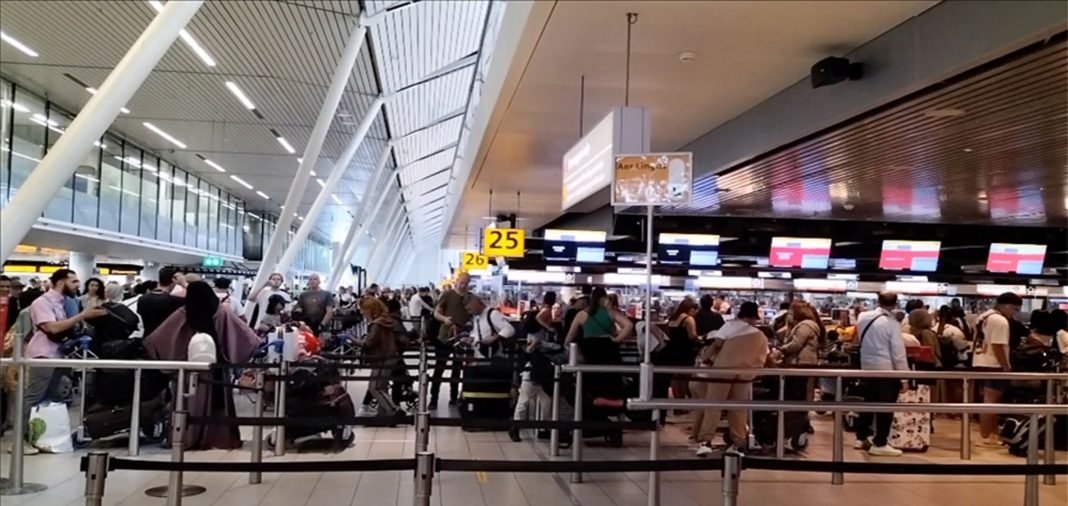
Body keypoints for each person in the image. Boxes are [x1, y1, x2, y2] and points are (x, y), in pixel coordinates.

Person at [145, 281, 259, 450]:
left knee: (187, 403)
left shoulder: (183, 313)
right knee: (217, 404)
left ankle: (185, 437)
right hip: (217, 371)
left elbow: (156, 339)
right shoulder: (222, 312)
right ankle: (219, 438)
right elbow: (248, 338)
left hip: (187, 372)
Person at [20, 270, 107, 453]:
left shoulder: (63, 303)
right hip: (43, 355)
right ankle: (19, 441)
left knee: (55, 397)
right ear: (60, 282)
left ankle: (43, 436)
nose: (78, 285)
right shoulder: (42, 302)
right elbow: (52, 327)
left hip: (59, 354)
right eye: (74, 281)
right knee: (34, 396)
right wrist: (82, 315)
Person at [693, 301, 772, 456]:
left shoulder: (729, 326)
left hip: (722, 372)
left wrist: (703, 359)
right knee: (739, 410)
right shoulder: (760, 335)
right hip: (744, 375)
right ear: (753, 316)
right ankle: (738, 444)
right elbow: (766, 356)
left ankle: (706, 442)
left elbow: (716, 345)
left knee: (714, 406)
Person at [852, 291, 908, 457]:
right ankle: (880, 442)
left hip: (866, 367)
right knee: (885, 407)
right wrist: (904, 377)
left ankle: (861, 437)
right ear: (896, 304)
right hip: (886, 370)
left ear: (878, 300)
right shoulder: (892, 324)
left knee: (868, 403)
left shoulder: (863, 317)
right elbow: (898, 354)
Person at [564, 287, 634, 402]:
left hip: (590, 349)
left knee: (591, 375)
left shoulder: (582, 314)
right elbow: (629, 325)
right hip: (608, 348)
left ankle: (592, 401)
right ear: (604, 298)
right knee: (609, 377)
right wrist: (617, 339)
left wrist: (566, 345)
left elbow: (571, 334)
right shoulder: (610, 312)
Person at [973, 292, 1021, 447]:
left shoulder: (983, 316)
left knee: (990, 400)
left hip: (980, 360)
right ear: (1007, 306)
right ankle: (986, 436)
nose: (1014, 313)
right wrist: (1005, 365)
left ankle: (993, 435)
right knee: (991, 401)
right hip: (994, 364)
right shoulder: (1000, 320)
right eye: (1014, 309)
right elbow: (997, 345)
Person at [431, 272, 473, 407]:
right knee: (439, 368)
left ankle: (454, 398)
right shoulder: (447, 295)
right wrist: (444, 319)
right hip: (445, 337)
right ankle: (434, 398)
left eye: (466, 283)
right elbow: (436, 312)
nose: (463, 286)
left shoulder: (470, 297)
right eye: (462, 283)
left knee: (457, 370)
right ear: (457, 282)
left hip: (461, 338)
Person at [359, 296, 402, 416]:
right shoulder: (386, 321)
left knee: (375, 387)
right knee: (381, 387)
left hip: (381, 358)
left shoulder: (376, 324)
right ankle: (385, 412)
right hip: (389, 357)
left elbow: (368, 343)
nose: (362, 312)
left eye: (363, 309)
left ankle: (394, 410)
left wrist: (351, 339)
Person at [664, 298, 699, 401]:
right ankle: (682, 400)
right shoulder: (688, 319)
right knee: (684, 376)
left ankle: (677, 400)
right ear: (690, 309)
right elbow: (692, 336)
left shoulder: (672, 319)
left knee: (675, 376)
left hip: (672, 350)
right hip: (685, 350)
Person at [137, 266, 186, 337]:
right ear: (173, 281)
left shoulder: (142, 299)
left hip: (147, 338)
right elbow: (198, 301)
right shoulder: (176, 301)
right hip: (166, 339)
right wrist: (184, 283)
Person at [778, 301, 824, 366]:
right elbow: (785, 340)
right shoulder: (796, 325)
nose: (788, 316)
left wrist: (782, 348)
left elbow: (796, 344)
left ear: (798, 313)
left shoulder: (805, 325)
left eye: (791, 313)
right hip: (796, 362)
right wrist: (788, 326)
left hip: (803, 362)